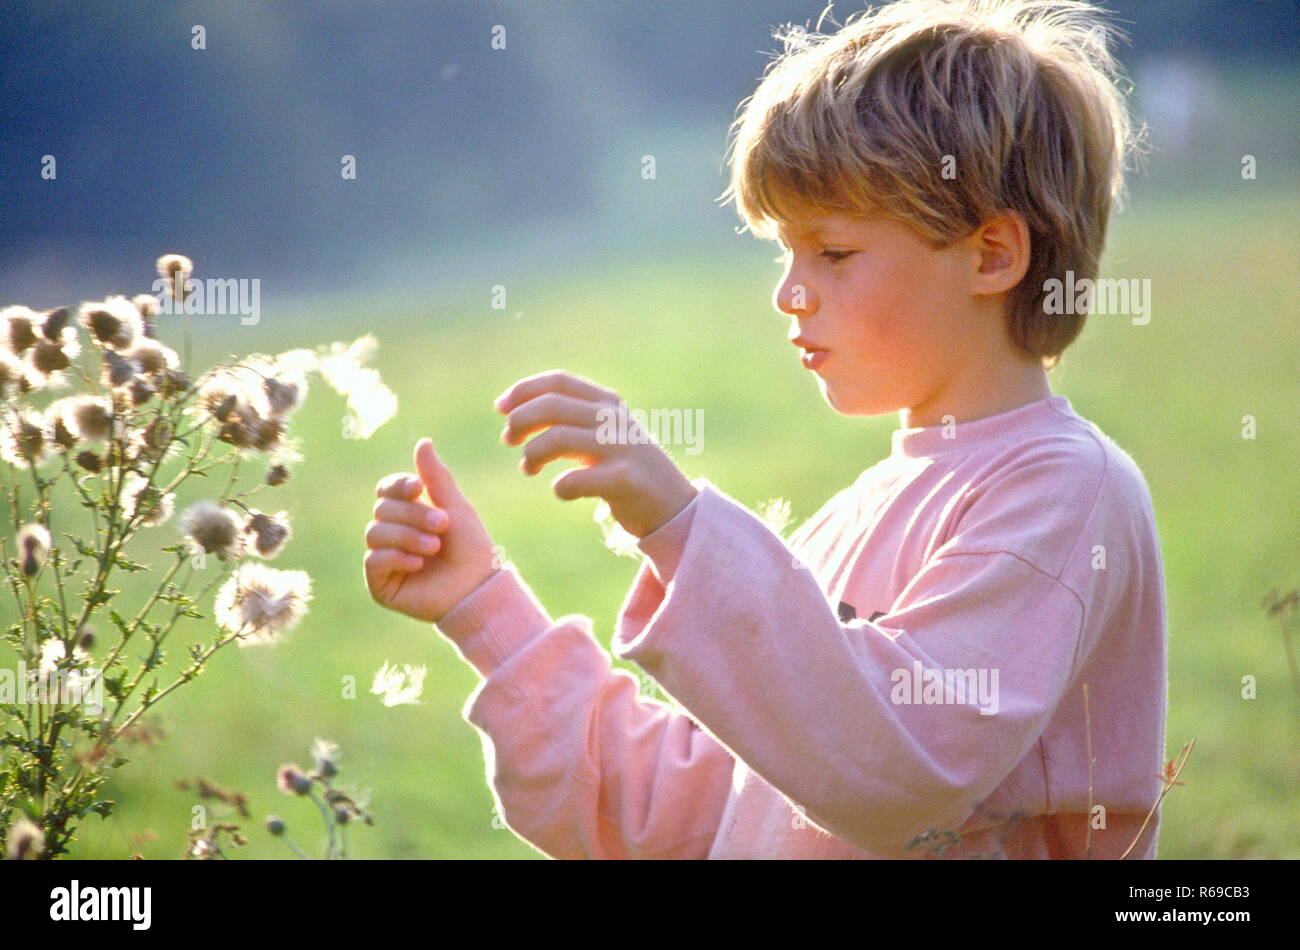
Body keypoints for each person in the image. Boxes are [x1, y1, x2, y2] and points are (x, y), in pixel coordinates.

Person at [363, 0, 1166, 859]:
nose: (789, 291)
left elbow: (904, 772)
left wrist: (679, 524)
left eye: (833, 252)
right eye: (783, 251)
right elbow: (674, 812)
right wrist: (484, 607)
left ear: (992, 255)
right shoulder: (854, 517)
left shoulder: (1065, 493)